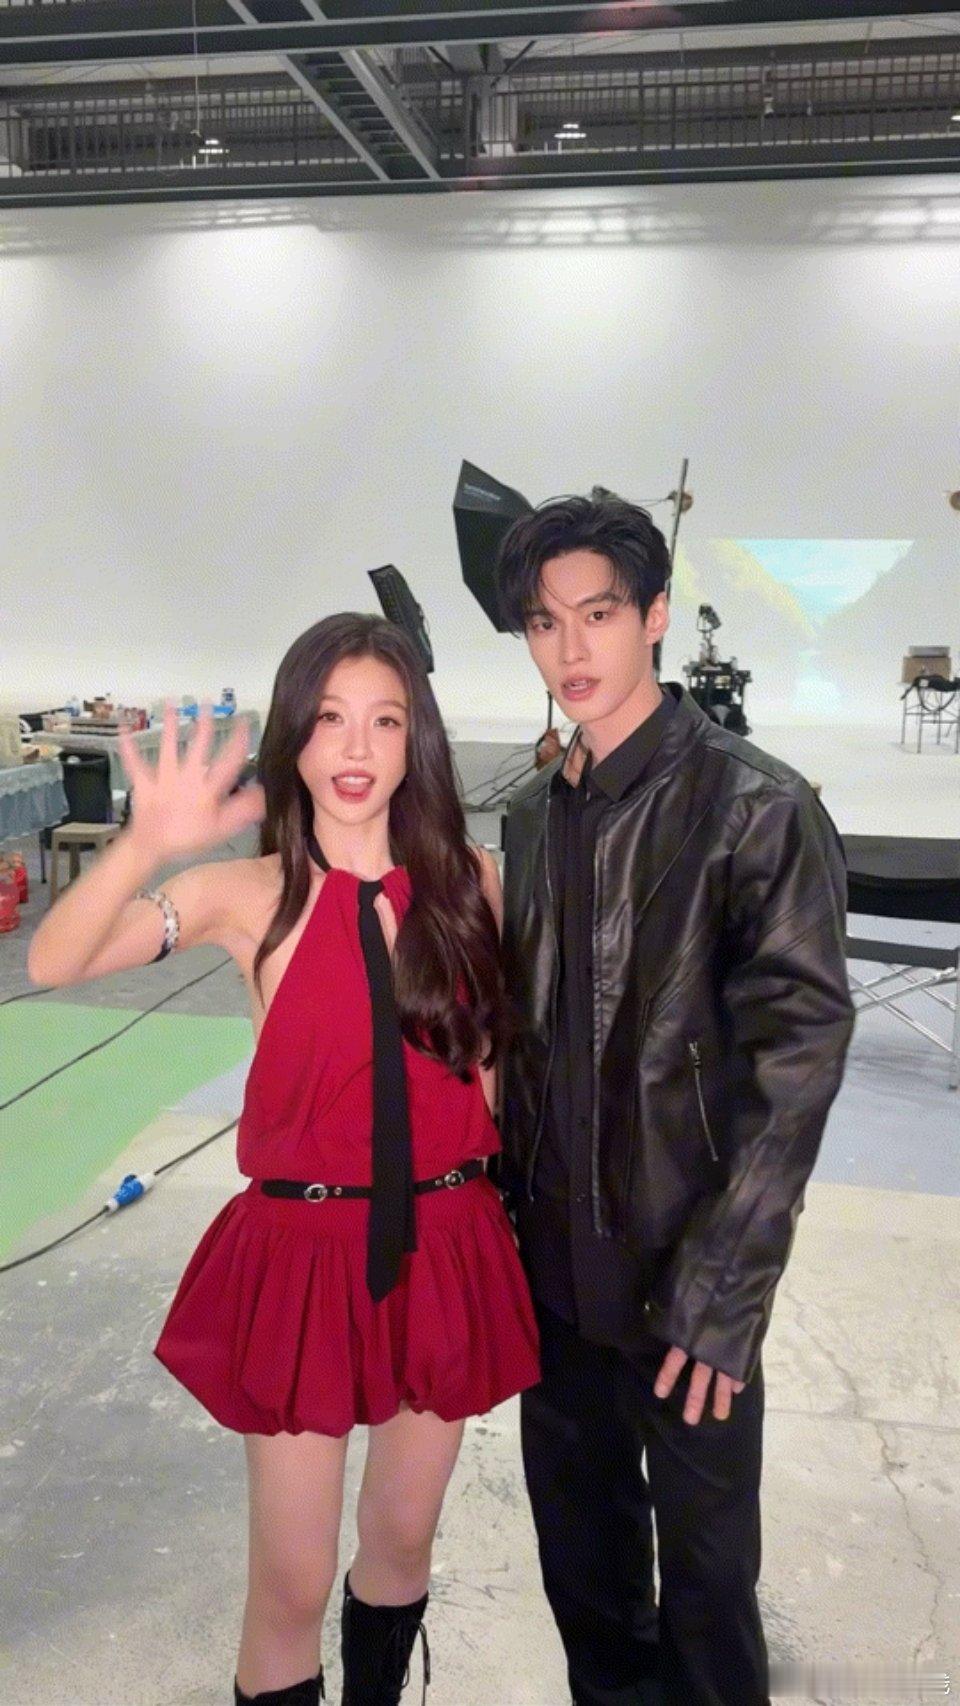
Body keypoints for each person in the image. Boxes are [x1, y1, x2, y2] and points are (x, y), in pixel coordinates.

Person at [28, 613, 540, 1706]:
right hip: (308, 1253)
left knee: (402, 1544)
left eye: (384, 721)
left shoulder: (473, 882)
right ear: (295, 738)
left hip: (446, 1241)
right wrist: (144, 845)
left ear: (416, 741)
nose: (355, 748)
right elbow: (55, 959)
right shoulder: (244, 894)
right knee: (293, 1580)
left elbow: (490, 1066)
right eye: (330, 720)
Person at [493, 496, 856, 1706]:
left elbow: (799, 1055)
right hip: (554, 1284)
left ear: (653, 615)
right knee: (588, 1589)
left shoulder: (757, 806)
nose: (571, 649)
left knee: (707, 1607)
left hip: (685, 1281)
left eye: (597, 614)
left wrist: (722, 1289)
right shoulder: (534, 813)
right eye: (544, 623)